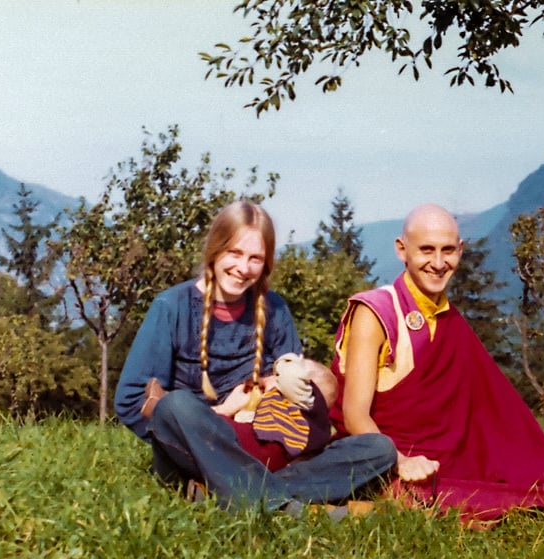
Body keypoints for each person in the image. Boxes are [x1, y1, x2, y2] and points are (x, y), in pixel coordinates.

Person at [330, 203, 544, 525]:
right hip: (382, 458)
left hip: (448, 460)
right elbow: (355, 416)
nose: (438, 263)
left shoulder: (449, 319)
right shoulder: (375, 312)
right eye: (427, 250)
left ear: (460, 249)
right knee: (448, 503)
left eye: (448, 251)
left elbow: (489, 408)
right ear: (402, 250)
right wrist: (401, 461)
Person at [115, 200, 396, 513]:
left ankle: (233, 492)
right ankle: (280, 504)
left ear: (267, 263)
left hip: (267, 445)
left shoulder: (274, 309)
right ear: (214, 249)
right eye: (234, 253)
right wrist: (218, 416)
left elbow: (297, 389)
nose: (243, 268)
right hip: (197, 449)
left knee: (379, 448)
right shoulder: (172, 307)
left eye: (255, 259)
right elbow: (130, 400)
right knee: (174, 405)